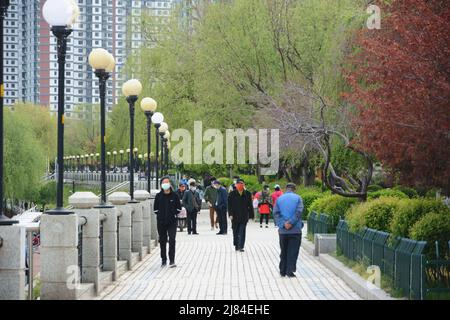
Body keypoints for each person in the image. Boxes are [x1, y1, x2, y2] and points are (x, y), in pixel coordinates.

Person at [273, 183, 304, 278]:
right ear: (294, 189)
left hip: (283, 231)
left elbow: (275, 213)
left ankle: (282, 270)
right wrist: (291, 222)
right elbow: (299, 212)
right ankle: (290, 271)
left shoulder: (279, 199)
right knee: (293, 251)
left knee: (284, 250)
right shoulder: (298, 198)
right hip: (295, 230)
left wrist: (283, 224)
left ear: (285, 189)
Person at [153, 177, 182, 268]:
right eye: (163, 182)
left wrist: (173, 214)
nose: (165, 184)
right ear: (161, 185)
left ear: (170, 184)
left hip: (172, 222)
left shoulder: (175, 195)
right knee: (162, 240)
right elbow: (155, 209)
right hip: (161, 222)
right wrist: (160, 216)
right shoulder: (158, 196)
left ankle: (172, 260)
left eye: (167, 182)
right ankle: (163, 259)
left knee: (172, 239)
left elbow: (179, 208)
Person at [228, 179, 254, 252]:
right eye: (238, 184)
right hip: (234, 216)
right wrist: (230, 214)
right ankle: (236, 244)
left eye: (241, 184)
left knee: (242, 231)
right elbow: (229, 205)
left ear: (244, 185)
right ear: (236, 185)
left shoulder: (247, 193)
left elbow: (250, 205)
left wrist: (251, 215)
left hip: (244, 216)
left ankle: (241, 246)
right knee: (235, 231)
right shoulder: (232, 194)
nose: (240, 185)